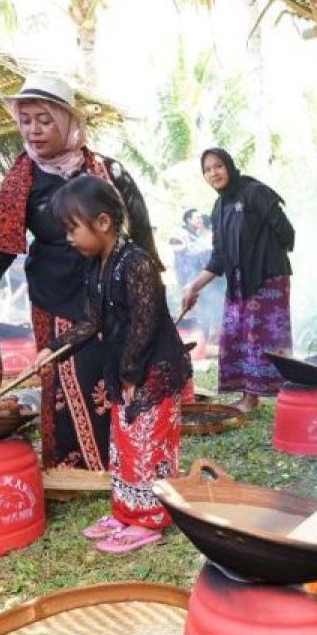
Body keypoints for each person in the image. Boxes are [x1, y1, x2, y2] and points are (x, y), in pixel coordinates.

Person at [0, 74, 163, 470]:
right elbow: (0, 244)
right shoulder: (21, 181)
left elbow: (140, 236)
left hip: (112, 294)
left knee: (118, 370)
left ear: (68, 123)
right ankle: (76, 467)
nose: (33, 130)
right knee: (69, 378)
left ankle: (124, 459)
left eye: (44, 119)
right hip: (56, 298)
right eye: (26, 120)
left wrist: (148, 295)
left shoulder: (110, 173)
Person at [35, 177, 191, 552]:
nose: (69, 238)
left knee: (149, 445)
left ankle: (150, 518)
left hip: (151, 371)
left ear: (103, 223)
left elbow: (145, 322)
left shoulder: (136, 262)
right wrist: (54, 349)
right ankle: (125, 511)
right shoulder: (97, 265)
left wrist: (133, 373)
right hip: (126, 372)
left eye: (73, 228)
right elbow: (92, 323)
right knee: (123, 445)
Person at [181, 148, 294, 413]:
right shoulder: (219, 208)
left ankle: (268, 396)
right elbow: (218, 258)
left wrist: (266, 255)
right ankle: (248, 397)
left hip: (267, 278)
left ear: (229, 166)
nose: (213, 173)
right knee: (237, 334)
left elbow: (287, 232)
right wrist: (193, 287)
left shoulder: (254, 192)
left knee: (260, 336)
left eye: (218, 166)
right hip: (239, 281)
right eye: (207, 169)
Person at [169, 208, 223, 342]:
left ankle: (204, 340)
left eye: (200, 218)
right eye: (195, 218)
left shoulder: (198, 236)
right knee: (195, 311)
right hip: (189, 279)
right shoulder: (180, 234)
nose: (199, 220)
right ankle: (195, 340)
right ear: (188, 219)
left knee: (207, 309)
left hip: (202, 280)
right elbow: (181, 254)